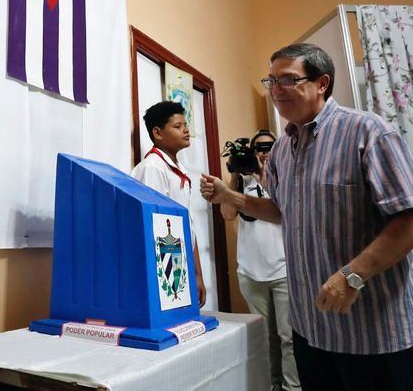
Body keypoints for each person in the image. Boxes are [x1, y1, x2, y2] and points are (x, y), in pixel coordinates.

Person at [201, 43, 413, 391]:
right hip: (310, 329)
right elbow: (282, 211)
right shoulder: (283, 149)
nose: (275, 90)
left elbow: (407, 219)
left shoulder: (367, 132)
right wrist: (231, 197)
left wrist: (352, 276)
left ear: (322, 83)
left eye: (287, 80)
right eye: (270, 81)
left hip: (372, 332)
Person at [221, 129, 299, 391]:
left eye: (269, 147)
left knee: (288, 337)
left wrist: (264, 175)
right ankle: (271, 384)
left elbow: (288, 210)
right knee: (265, 338)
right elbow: (228, 213)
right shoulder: (241, 182)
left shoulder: (285, 176)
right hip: (251, 272)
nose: (264, 152)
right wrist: (235, 173)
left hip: (284, 270)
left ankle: (292, 387)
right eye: (259, 148)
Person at [131, 101, 207, 307]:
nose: (186, 130)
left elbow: (188, 227)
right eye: (178, 126)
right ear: (157, 132)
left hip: (180, 265)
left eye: (186, 125)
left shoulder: (177, 169)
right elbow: (154, 229)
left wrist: (196, 273)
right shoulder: (154, 168)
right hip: (166, 270)